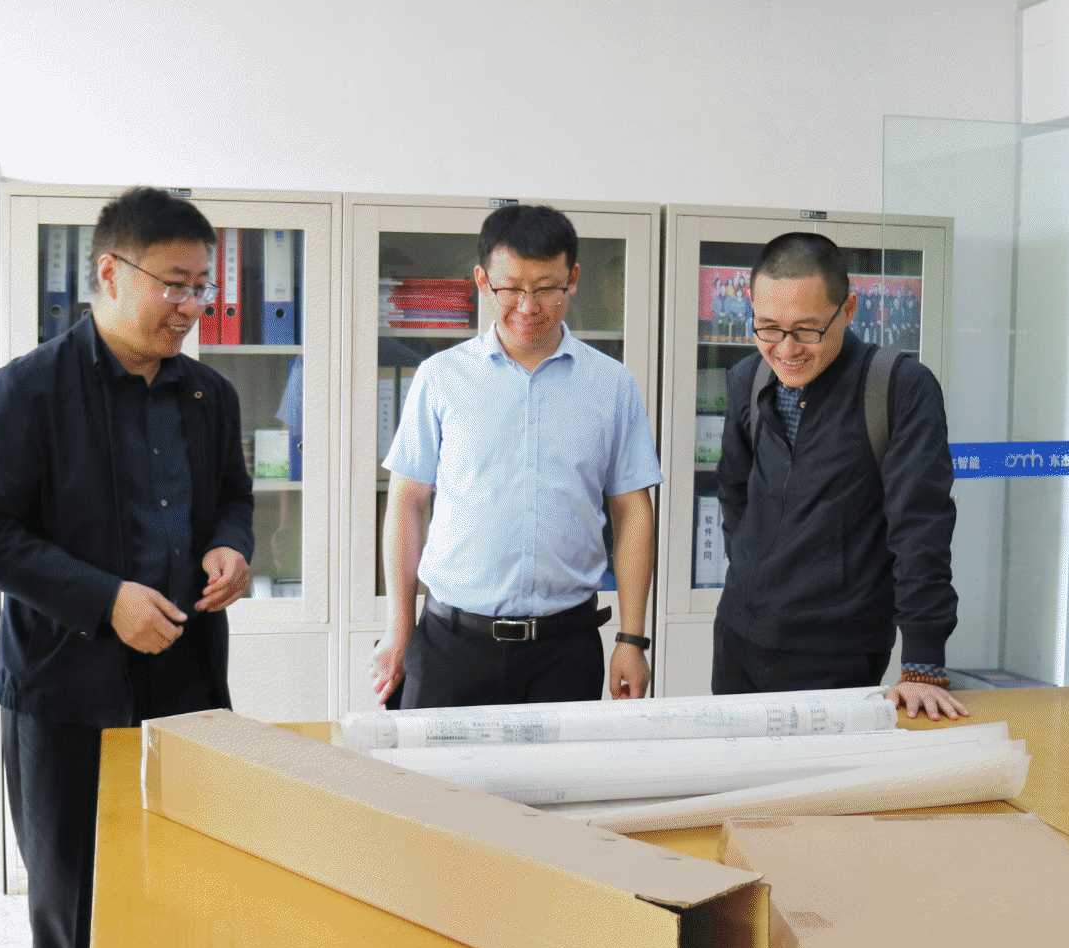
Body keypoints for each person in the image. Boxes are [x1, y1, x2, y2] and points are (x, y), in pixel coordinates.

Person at [0, 187, 253, 948]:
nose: (189, 306)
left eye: (200, 287)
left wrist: (232, 547)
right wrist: (102, 599)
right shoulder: (27, 391)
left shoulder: (209, 395)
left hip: (185, 681)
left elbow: (233, 497)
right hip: (64, 688)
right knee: (69, 893)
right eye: (174, 284)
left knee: (180, 877)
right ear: (109, 274)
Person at [369, 203, 662, 708]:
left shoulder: (611, 385)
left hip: (564, 650)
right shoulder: (441, 378)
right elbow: (407, 503)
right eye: (510, 288)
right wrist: (399, 628)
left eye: (546, 288)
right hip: (451, 644)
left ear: (573, 279)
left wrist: (632, 639)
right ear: (482, 281)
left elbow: (632, 511)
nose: (528, 307)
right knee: (430, 764)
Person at [714, 232, 966, 719]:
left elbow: (920, 525)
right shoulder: (749, 378)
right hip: (738, 639)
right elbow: (733, 489)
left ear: (848, 309)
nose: (786, 349)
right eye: (768, 328)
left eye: (807, 330)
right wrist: (750, 568)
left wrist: (922, 662)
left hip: (838, 650)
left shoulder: (898, 388)